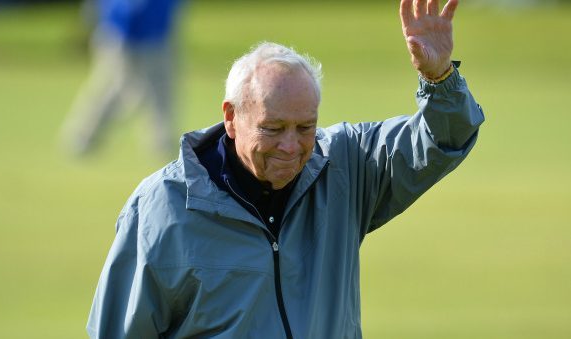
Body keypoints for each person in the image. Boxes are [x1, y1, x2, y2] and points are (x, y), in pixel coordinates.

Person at [87, 0, 484, 337]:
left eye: (305, 127)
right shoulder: (162, 208)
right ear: (231, 117)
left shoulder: (345, 166)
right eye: (272, 128)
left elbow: (442, 140)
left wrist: (439, 79)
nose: (292, 146)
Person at [60, 0, 182, 156]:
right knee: (121, 90)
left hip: (156, 36)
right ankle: (82, 137)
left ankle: (162, 143)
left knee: (160, 92)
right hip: (124, 37)